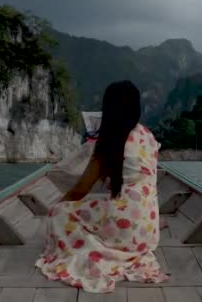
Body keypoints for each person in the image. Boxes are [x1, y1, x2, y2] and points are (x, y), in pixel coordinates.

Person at [35, 80, 168, 293]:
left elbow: (81, 189)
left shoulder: (110, 141)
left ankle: (96, 246)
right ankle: (114, 241)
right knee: (104, 206)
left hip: (124, 229)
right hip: (148, 233)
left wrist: (59, 205)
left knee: (59, 212)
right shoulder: (147, 135)